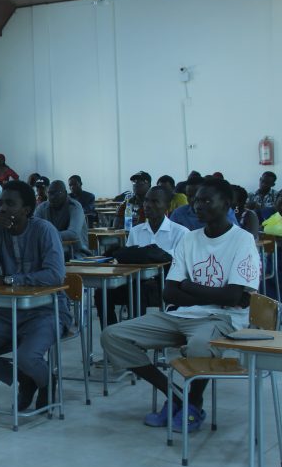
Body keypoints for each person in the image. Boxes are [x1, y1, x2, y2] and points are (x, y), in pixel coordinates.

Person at [101, 177, 259, 431]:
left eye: (207, 200)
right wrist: (215, 293)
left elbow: (232, 299)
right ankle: (177, 398)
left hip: (222, 319)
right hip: (181, 315)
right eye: (196, 200)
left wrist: (191, 287)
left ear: (226, 204)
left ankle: (193, 404)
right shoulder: (190, 239)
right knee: (113, 335)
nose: (198, 206)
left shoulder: (242, 240)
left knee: (199, 344)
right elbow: (170, 293)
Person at [0, 180, 69, 411]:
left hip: (47, 310)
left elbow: (54, 275)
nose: (2, 209)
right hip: (9, 310)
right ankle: (27, 380)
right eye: (0, 203)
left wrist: (9, 280)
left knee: (26, 357)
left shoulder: (44, 230)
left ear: (27, 210)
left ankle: (46, 381)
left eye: (10, 204)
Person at [95, 186, 189, 327]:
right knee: (101, 292)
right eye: (146, 201)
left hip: (164, 288)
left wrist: (142, 254)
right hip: (135, 284)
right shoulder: (136, 231)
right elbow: (127, 261)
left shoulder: (180, 232)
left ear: (167, 207)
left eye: (155, 201)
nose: (148, 205)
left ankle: (136, 338)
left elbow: (177, 265)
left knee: (139, 290)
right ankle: (111, 333)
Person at [34, 180, 89, 258]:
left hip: (76, 254)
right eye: (50, 193)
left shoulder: (74, 206)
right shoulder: (42, 207)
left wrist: (46, 236)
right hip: (51, 252)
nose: (53, 197)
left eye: (57, 193)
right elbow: (33, 229)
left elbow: (73, 234)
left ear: (65, 193)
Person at [170, 175, 239, 230]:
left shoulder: (224, 212)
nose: (193, 200)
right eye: (189, 196)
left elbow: (233, 233)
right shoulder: (179, 213)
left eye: (205, 200)